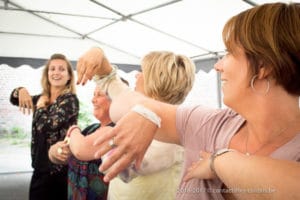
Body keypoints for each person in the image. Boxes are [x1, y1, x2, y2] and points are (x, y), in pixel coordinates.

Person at [76, 2, 300, 200]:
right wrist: (147, 112)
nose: (217, 65)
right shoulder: (210, 123)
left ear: (263, 67)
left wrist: (218, 162)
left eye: (229, 53)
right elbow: (126, 100)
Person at [108, 51, 195, 200]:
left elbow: (123, 169)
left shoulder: (171, 133)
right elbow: (120, 92)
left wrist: (104, 138)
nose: (136, 75)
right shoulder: (146, 117)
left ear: (155, 80)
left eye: (142, 71)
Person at [10, 53, 79, 200]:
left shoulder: (70, 100)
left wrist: (40, 106)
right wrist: (21, 89)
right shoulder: (43, 98)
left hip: (58, 171)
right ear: (47, 74)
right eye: (52, 69)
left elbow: (48, 127)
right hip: (39, 168)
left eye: (61, 69)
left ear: (69, 77)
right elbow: (14, 99)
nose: (56, 72)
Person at [50, 78, 127, 200]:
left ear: (117, 101)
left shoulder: (117, 131)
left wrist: (73, 129)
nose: (93, 100)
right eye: (93, 95)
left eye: (99, 95)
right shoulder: (91, 129)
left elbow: (80, 150)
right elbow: (63, 154)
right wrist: (54, 151)